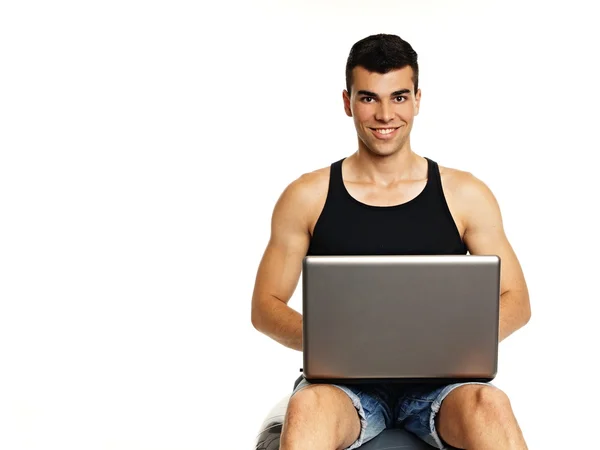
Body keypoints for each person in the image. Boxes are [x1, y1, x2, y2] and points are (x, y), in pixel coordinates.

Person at [250, 33, 531, 450]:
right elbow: (265, 306)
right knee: (307, 408)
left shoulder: (465, 193)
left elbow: (518, 300)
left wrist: (453, 342)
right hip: (346, 387)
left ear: (417, 99)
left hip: (444, 386)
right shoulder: (306, 196)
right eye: (369, 98)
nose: (385, 114)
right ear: (347, 102)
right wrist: (334, 341)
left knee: (490, 404)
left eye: (398, 97)